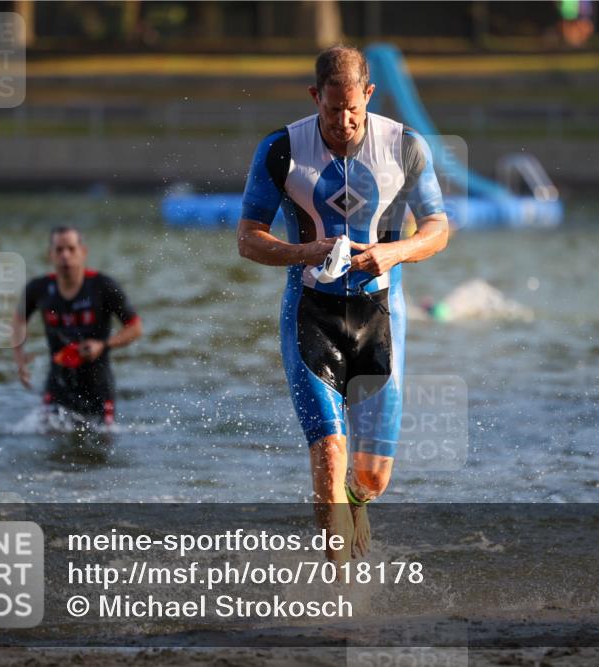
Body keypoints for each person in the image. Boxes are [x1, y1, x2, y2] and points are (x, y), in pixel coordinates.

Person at [236, 46, 448, 566]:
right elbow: (247, 238)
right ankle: (342, 603)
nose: (344, 120)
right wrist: (302, 252)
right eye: (332, 109)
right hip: (311, 314)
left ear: (368, 95)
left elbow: (439, 229)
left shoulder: (404, 146)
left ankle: (358, 502)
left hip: (380, 319)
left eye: (353, 108)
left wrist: (394, 252)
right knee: (329, 455)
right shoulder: (281, 149)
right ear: (315, 98)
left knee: (371, 477)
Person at [12, 226, 143, 426]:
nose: (65, 255)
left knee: (103, 447)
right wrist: (20, 359)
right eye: (59, 250)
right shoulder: (38, 289)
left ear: (83, 252)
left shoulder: (103, 286)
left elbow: (135, 328)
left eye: (71, 249)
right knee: (49, 443)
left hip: (99, 386)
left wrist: (103, 345)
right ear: (50, 255)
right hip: (58, 385)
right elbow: (18, 321)